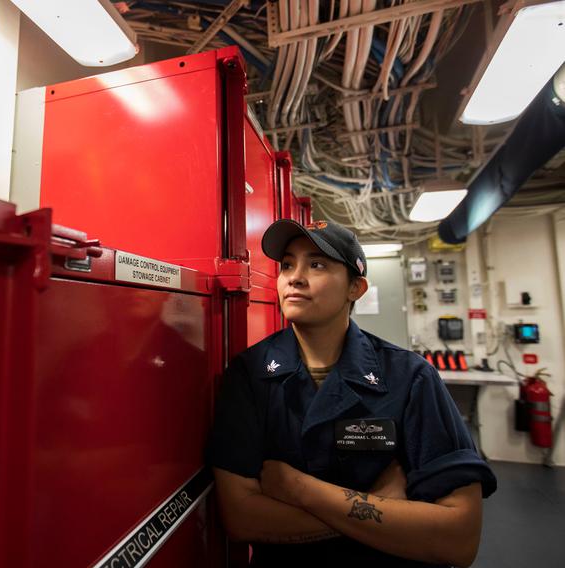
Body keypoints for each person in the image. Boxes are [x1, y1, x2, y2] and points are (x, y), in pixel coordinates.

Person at [207, 219, 497, 567]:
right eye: (287, 264)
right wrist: (377, 505)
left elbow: (458, 538)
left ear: (355, 288)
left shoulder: (411, 378)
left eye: (317, 264)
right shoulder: (250, 375)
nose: (294, 277)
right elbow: (241, 518)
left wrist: (298, 488)